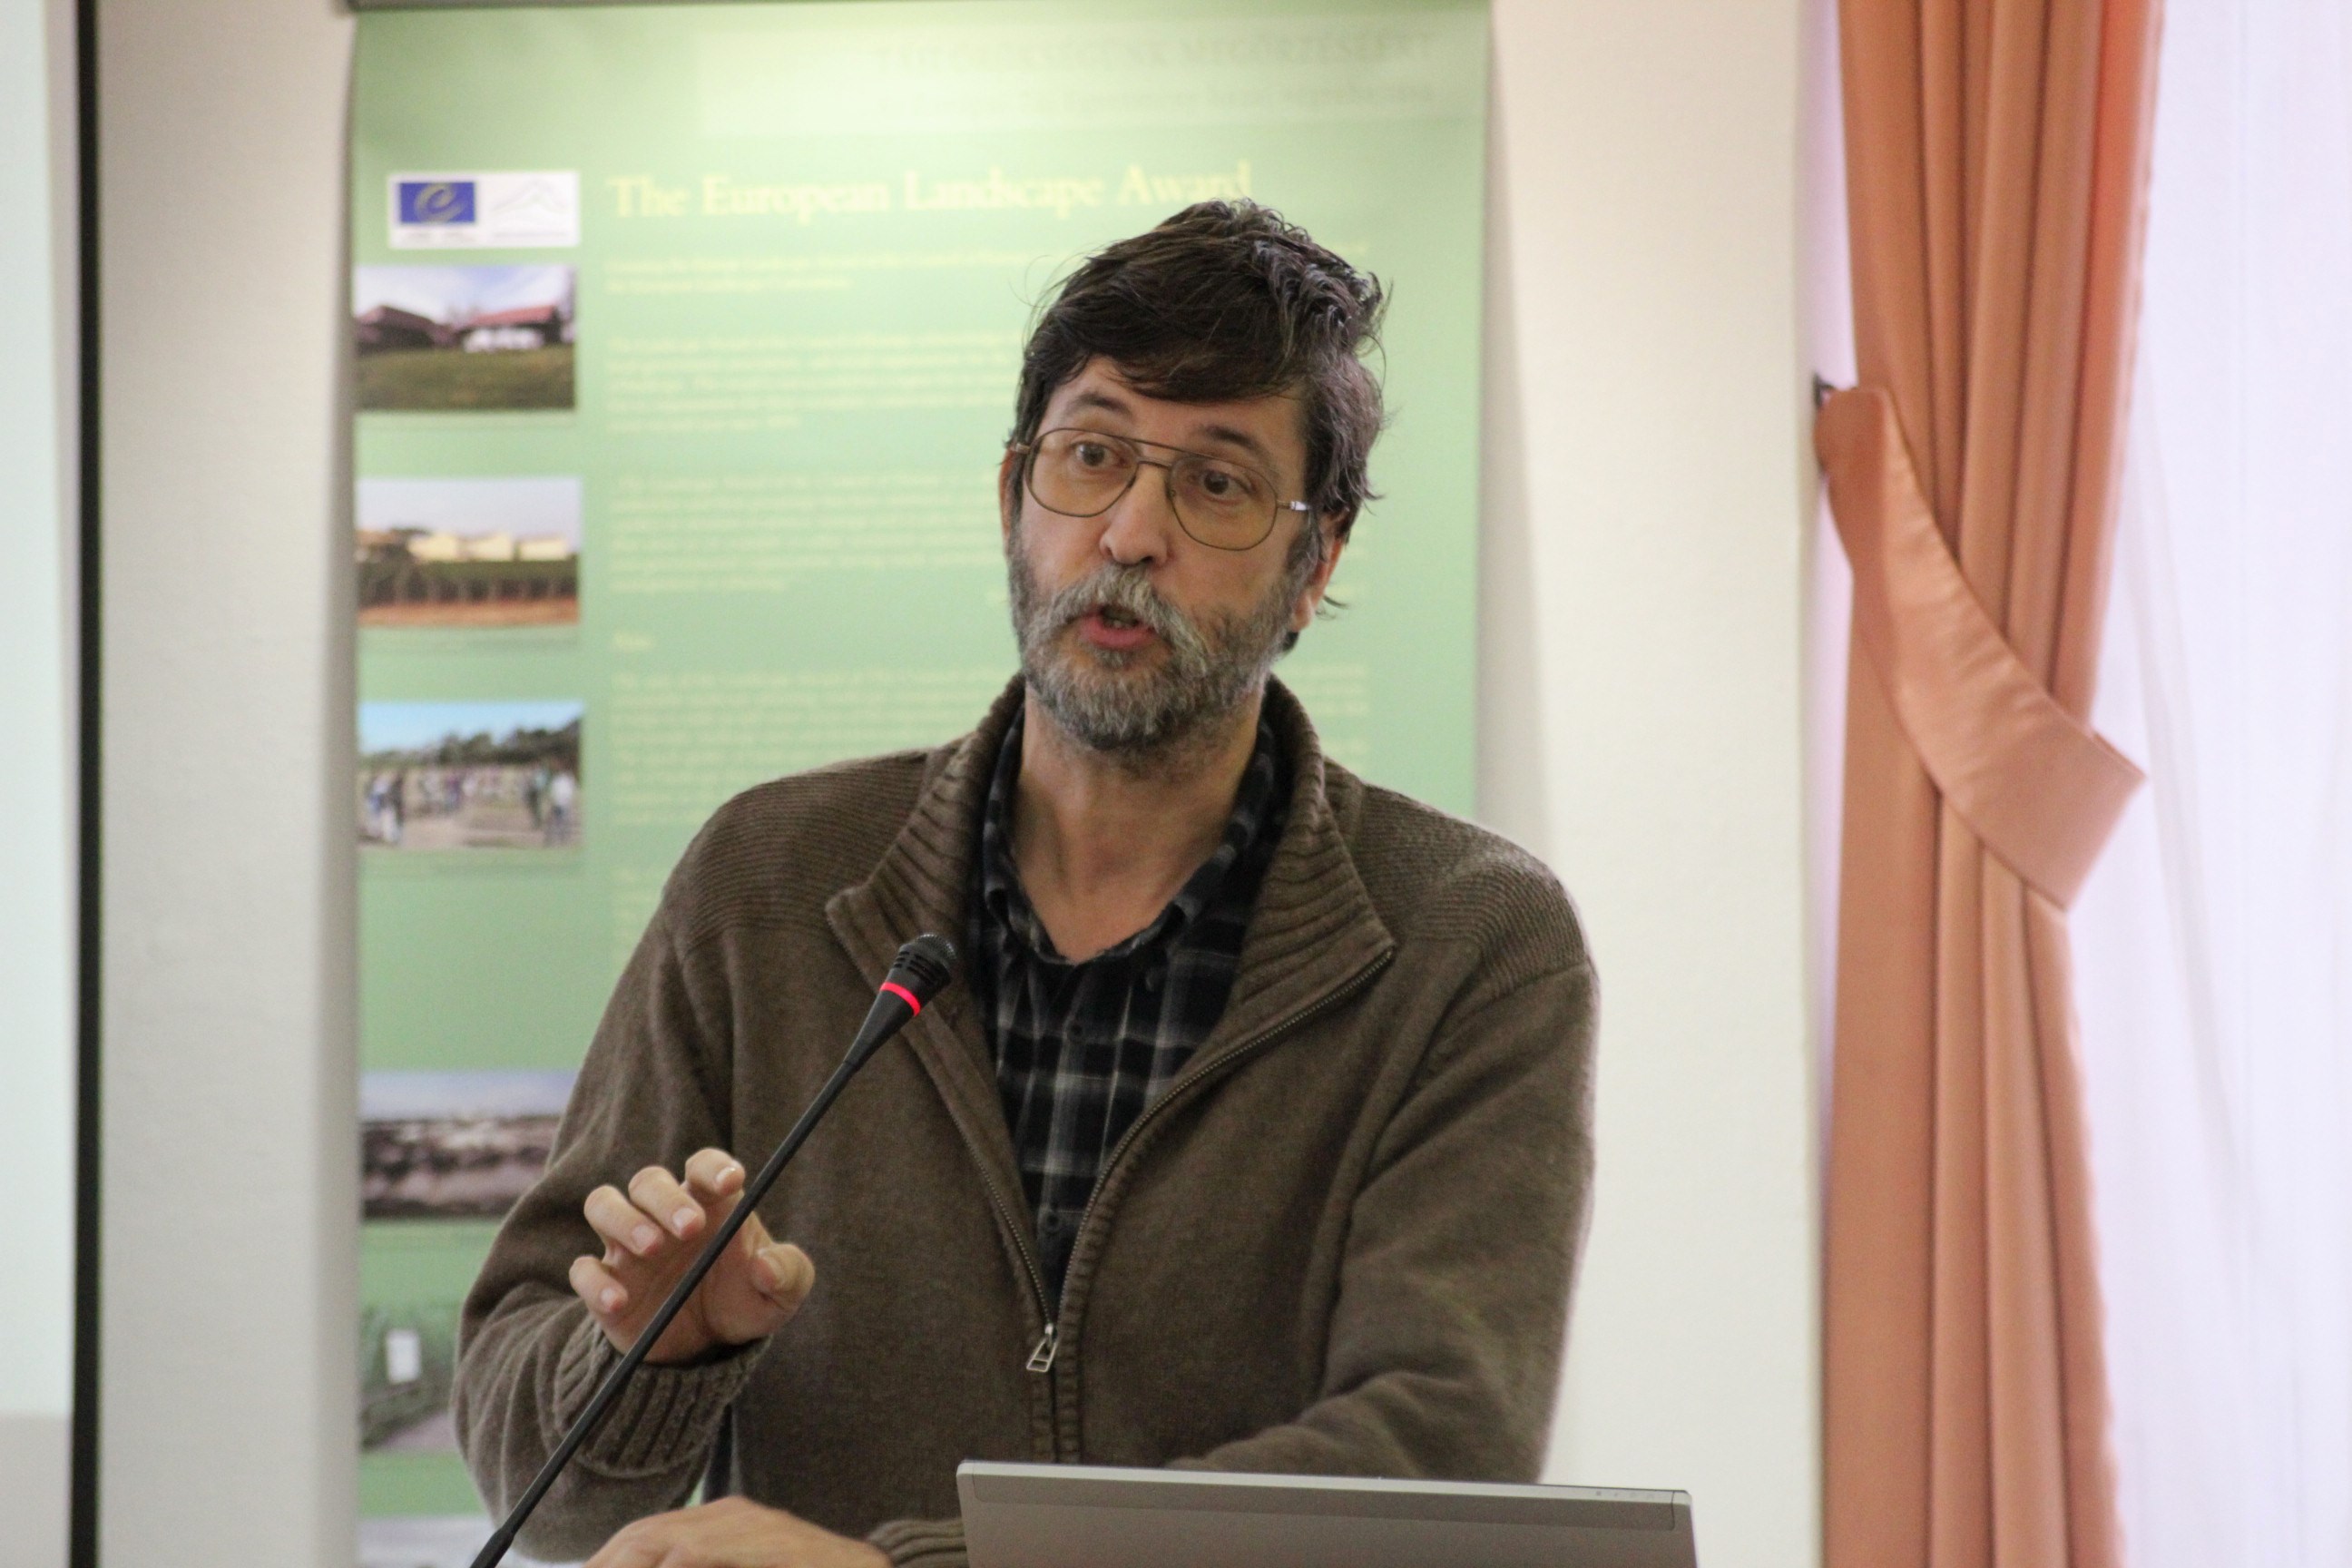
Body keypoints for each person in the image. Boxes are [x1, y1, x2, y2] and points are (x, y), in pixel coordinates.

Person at [454, 201, 1596, 1568]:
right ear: (1013, 496)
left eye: (1217, 483)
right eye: (1091, 456)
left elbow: (1438, 1460)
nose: (1131, 532)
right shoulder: (769, 883)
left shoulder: (1468, 940)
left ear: (1317, 563)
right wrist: (647, 1359)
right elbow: (538, 1483)